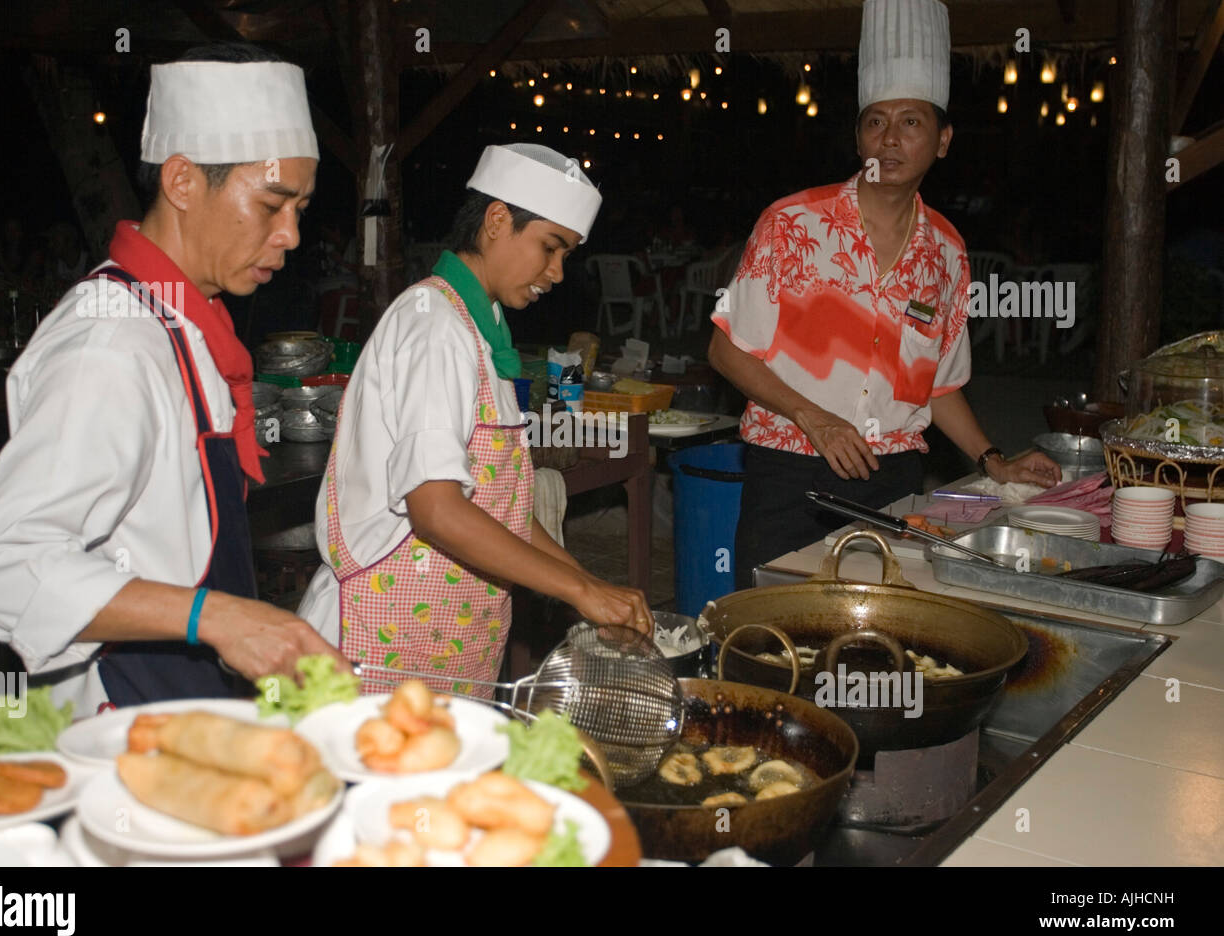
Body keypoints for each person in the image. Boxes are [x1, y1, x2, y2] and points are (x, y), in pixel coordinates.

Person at [0, 42, 345, 713]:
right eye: (272, 204)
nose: (292, 236)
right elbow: (2, 566)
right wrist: (215, 618)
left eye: (301, 210)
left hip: (189, 701)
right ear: (184, 181)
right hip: (122, 717)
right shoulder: (110, 342)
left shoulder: (189, 323)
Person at [708, 0, 1060, 588]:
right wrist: (813, 418)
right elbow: (725, 350)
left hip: (895, 481)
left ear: (943, 140)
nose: (890, 139)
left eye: (911, 122)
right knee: (772, 645)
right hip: (792, 473)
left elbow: (937, 385)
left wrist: (994, 462)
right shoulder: (794, 224)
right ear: (858, 136)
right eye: (876, 121)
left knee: (875, 643)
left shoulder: (947, 252)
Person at [297, 144, 653, 694]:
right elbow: (436, 509)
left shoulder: (481, 329)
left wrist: (585, 580)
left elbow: (497, 510)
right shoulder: (434, 326)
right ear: (496, 220)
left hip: (443, 640)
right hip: (379, 643)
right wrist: (578, 593)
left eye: (567, 256)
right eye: (550, 248)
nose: (556, 273)